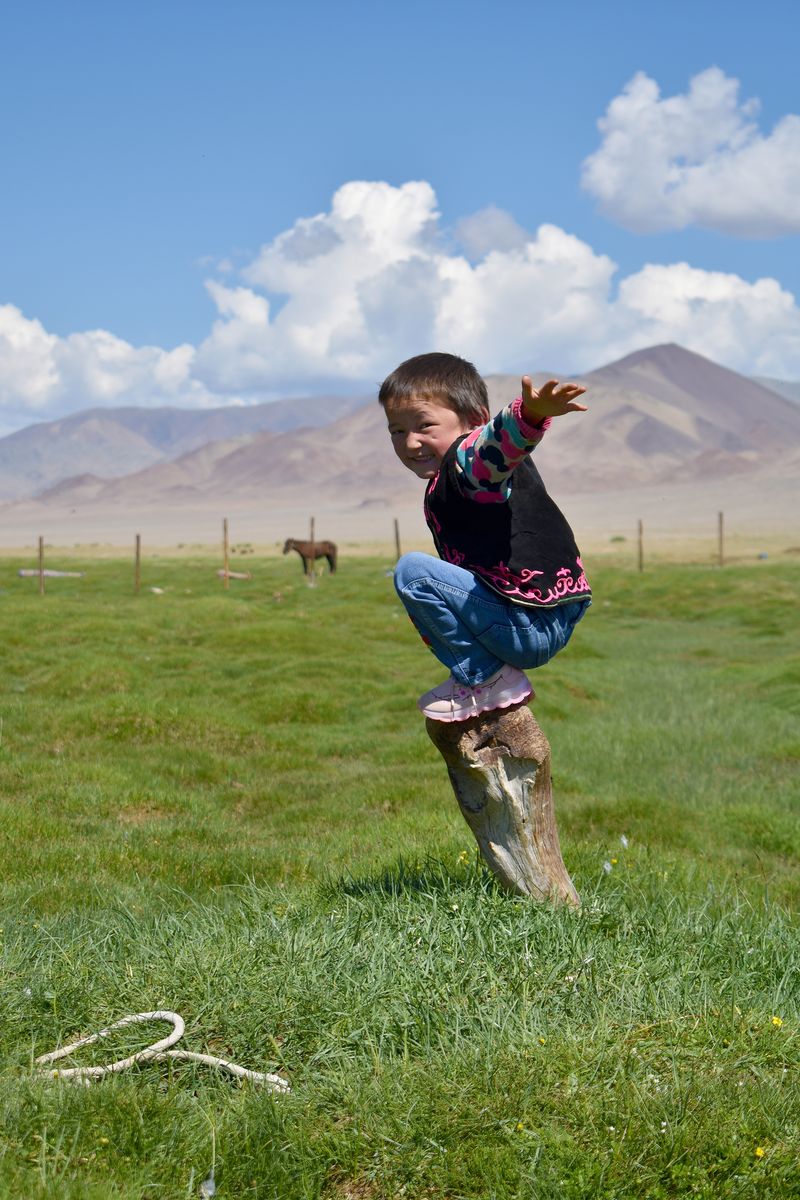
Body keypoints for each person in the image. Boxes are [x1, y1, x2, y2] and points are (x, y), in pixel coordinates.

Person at [379, 351, 591, 722]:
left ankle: (484, 679)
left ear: (474, 421)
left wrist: (528, 417)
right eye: (398, 430)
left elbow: (493, 446)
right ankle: (485, 679)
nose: (410, 443)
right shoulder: (452, 477)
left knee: (413, 573)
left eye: (424, 426)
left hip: (526, 621)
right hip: (544, 614)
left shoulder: (468, 464)